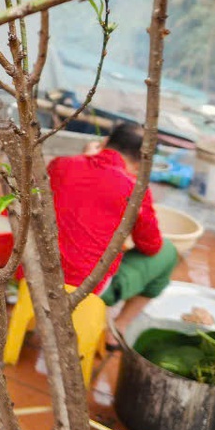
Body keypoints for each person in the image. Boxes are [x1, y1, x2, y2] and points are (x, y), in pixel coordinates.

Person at [48, 122, 179, 338]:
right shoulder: (134, 190)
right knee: (168, 252)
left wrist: (85, 157)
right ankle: (119, 326)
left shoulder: (61, 165)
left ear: (105, 142)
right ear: (143, 163)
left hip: (33, 273)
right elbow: (151, 246)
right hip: (84, 287)